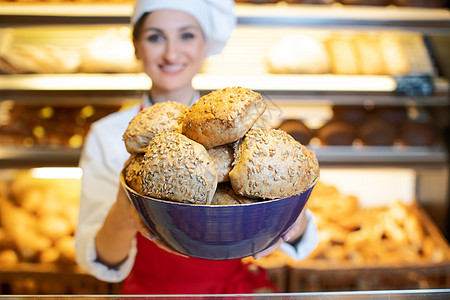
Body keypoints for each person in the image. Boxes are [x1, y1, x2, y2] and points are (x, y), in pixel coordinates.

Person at [75, 0, 318, 294]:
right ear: (136, 47)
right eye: (155, 37)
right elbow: (102, 262)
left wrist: (292, 208)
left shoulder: (243, 125)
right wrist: (125, 211)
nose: (171, 52)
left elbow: (301, 243)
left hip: (231, 290)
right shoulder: (108, 134)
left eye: (187, 35)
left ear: (207, 45)